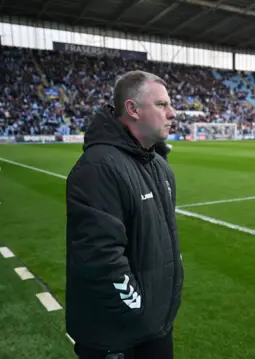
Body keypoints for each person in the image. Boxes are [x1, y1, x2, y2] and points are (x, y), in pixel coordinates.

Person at [66, 71, 183, 359]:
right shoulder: (99, 167)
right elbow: (101, 258)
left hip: (155, 328)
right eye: (162, 105)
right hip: (116, 336)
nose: (173, 113)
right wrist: (139, 309)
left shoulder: (160, 167)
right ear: (133, 109)